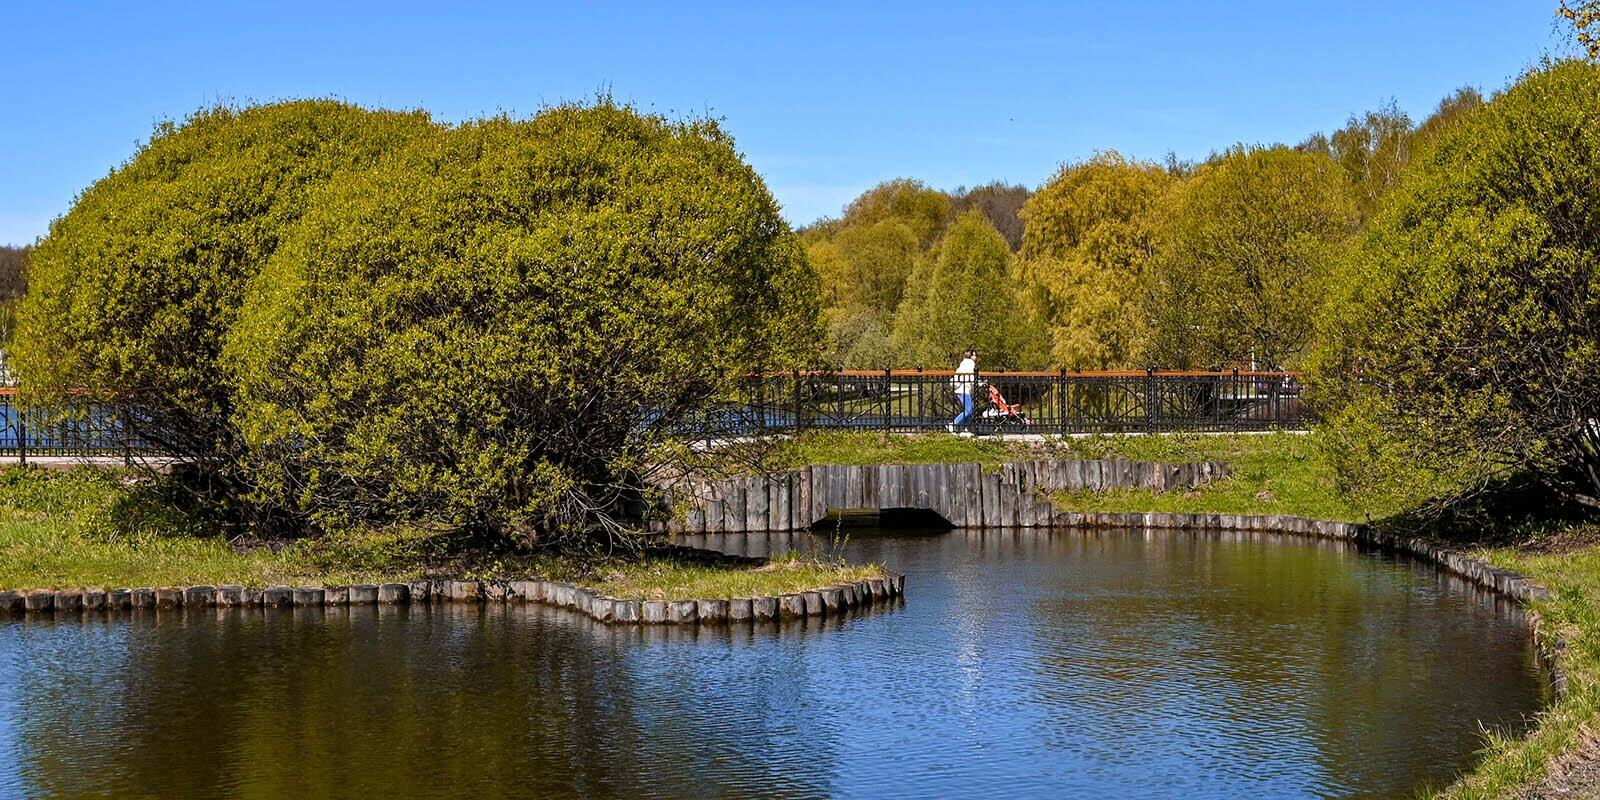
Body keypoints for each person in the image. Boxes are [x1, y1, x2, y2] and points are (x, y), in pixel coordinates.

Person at [948, 348, 977, 435]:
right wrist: (977, 383)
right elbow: (971, 377)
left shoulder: (963, 363)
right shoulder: (970, 363)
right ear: (971, 356)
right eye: (975, 355)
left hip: (961, 389)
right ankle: (953, 423)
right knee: (969, 410)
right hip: (964, 389)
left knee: (968, 410)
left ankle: (966, 428)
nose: (976, 357)